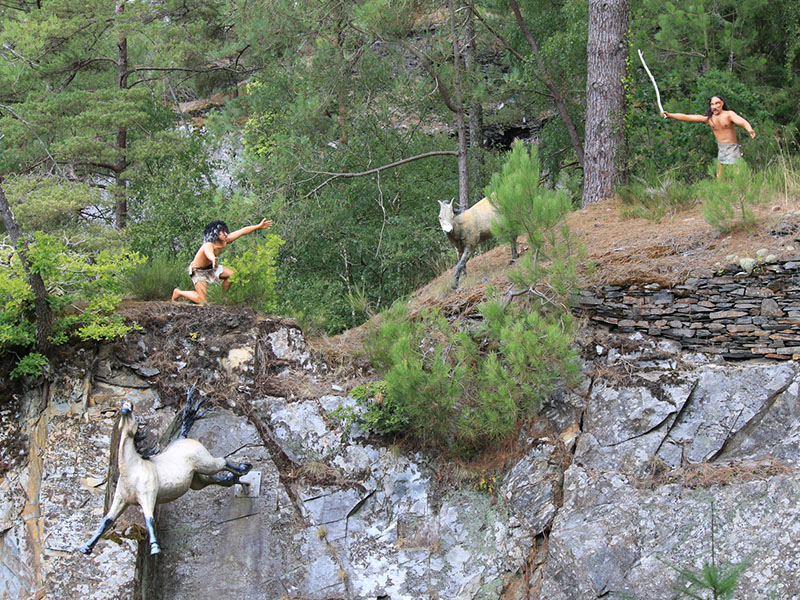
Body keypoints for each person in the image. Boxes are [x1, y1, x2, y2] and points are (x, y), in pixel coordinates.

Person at [171, 218, 272, 305]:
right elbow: (208, 252)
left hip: (212, 267)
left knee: (232, 275)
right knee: (202, 300)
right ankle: (178, 292)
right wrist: (212, 258)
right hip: (198, 271)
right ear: (215, 233)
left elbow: (242, 231)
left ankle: (221, 297)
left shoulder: (225, 240)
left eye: (225, 232)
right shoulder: (209, 244)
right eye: (222, 232)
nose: (225, 234)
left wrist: (258, 226)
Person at [662, 96, 756, 178]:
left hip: (732, 147)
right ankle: (722, 192)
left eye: (717, 103)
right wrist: (670, 115)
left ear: (722, 104)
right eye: (712, 104)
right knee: (720, 174)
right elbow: (689, 117)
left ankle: (742, 189)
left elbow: (741, 121)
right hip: (721, 148)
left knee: (737, 171)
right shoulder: (709, 119)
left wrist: (749, 129)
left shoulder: (729, 114)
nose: (714, 106)